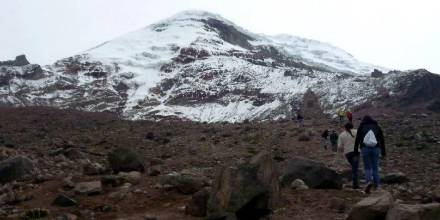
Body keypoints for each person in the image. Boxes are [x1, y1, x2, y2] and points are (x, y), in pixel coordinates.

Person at [354, 115, 386, 194]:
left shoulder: (361, 126)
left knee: (367, 167)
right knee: (375, 167)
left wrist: (355, 151)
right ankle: (377, 185)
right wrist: (383, 151)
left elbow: (357, 139)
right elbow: (381, 139)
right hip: (376, 148)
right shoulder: (376, 126)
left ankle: (368, 183)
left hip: (365, 148)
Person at [338, 122, 359, 189]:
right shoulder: (357, 132)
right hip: (356, 152)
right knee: (355, 168)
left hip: (347, 153)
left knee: (353, 167)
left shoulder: (342, 134)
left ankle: (354, 183)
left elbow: (340, 147)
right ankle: (355, 185)